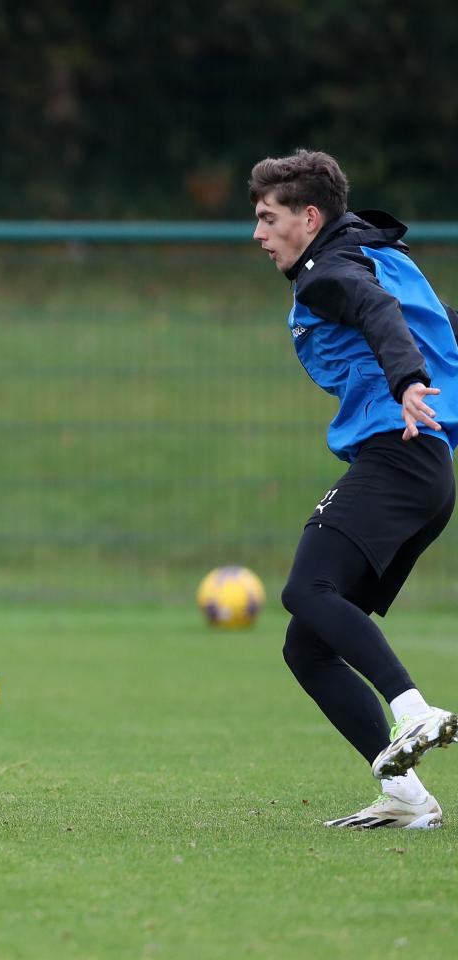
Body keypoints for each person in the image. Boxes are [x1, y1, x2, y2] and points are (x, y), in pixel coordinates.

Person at [250, 149, 458, 829]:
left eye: (267, 218)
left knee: (306, 590)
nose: (258, 235)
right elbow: (439, 327)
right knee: (306, 645)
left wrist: (403, 384)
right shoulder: (379, 255)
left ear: (309, 219)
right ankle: (405, 797)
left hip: (398, 458)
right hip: (425, 471)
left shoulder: (330, 274)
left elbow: (372, 313)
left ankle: (413, 711)